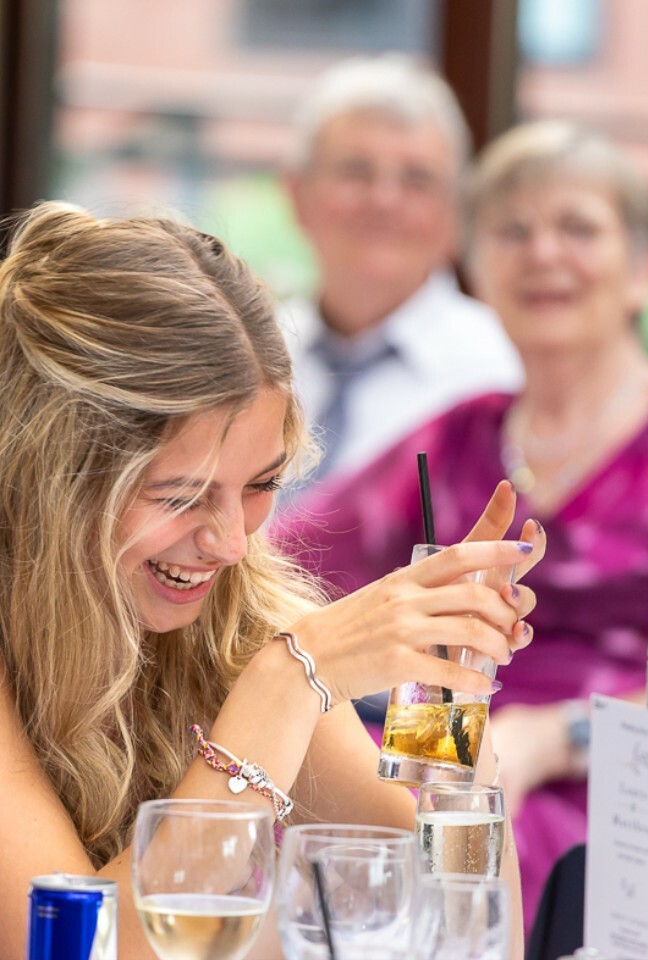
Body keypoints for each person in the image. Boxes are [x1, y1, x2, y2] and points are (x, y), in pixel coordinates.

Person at [0, 201, 545, 959]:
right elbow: (75, 949)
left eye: (260, 484)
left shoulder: (237, 617)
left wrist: (444, 713)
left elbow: (447, 929)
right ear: (54, 480)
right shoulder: (276, 660)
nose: (229, 543)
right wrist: (287, 682)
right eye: (180, 496)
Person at [274, 120, 648, 937]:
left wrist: (561, 734)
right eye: (512, 231)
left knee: (490, 849)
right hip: (439, 748)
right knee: (324, 835)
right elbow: (281, 562)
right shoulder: (455, 437)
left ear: (641, 270)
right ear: (479, 271)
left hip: (621, 776)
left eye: (578, 227)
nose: (542, 253)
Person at [279, 54, 523, 488]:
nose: (384, 200)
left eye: (417, 179)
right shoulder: (252, 355)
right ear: (297, 195)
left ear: (455, 213)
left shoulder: (503, 375)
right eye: (356, 171)